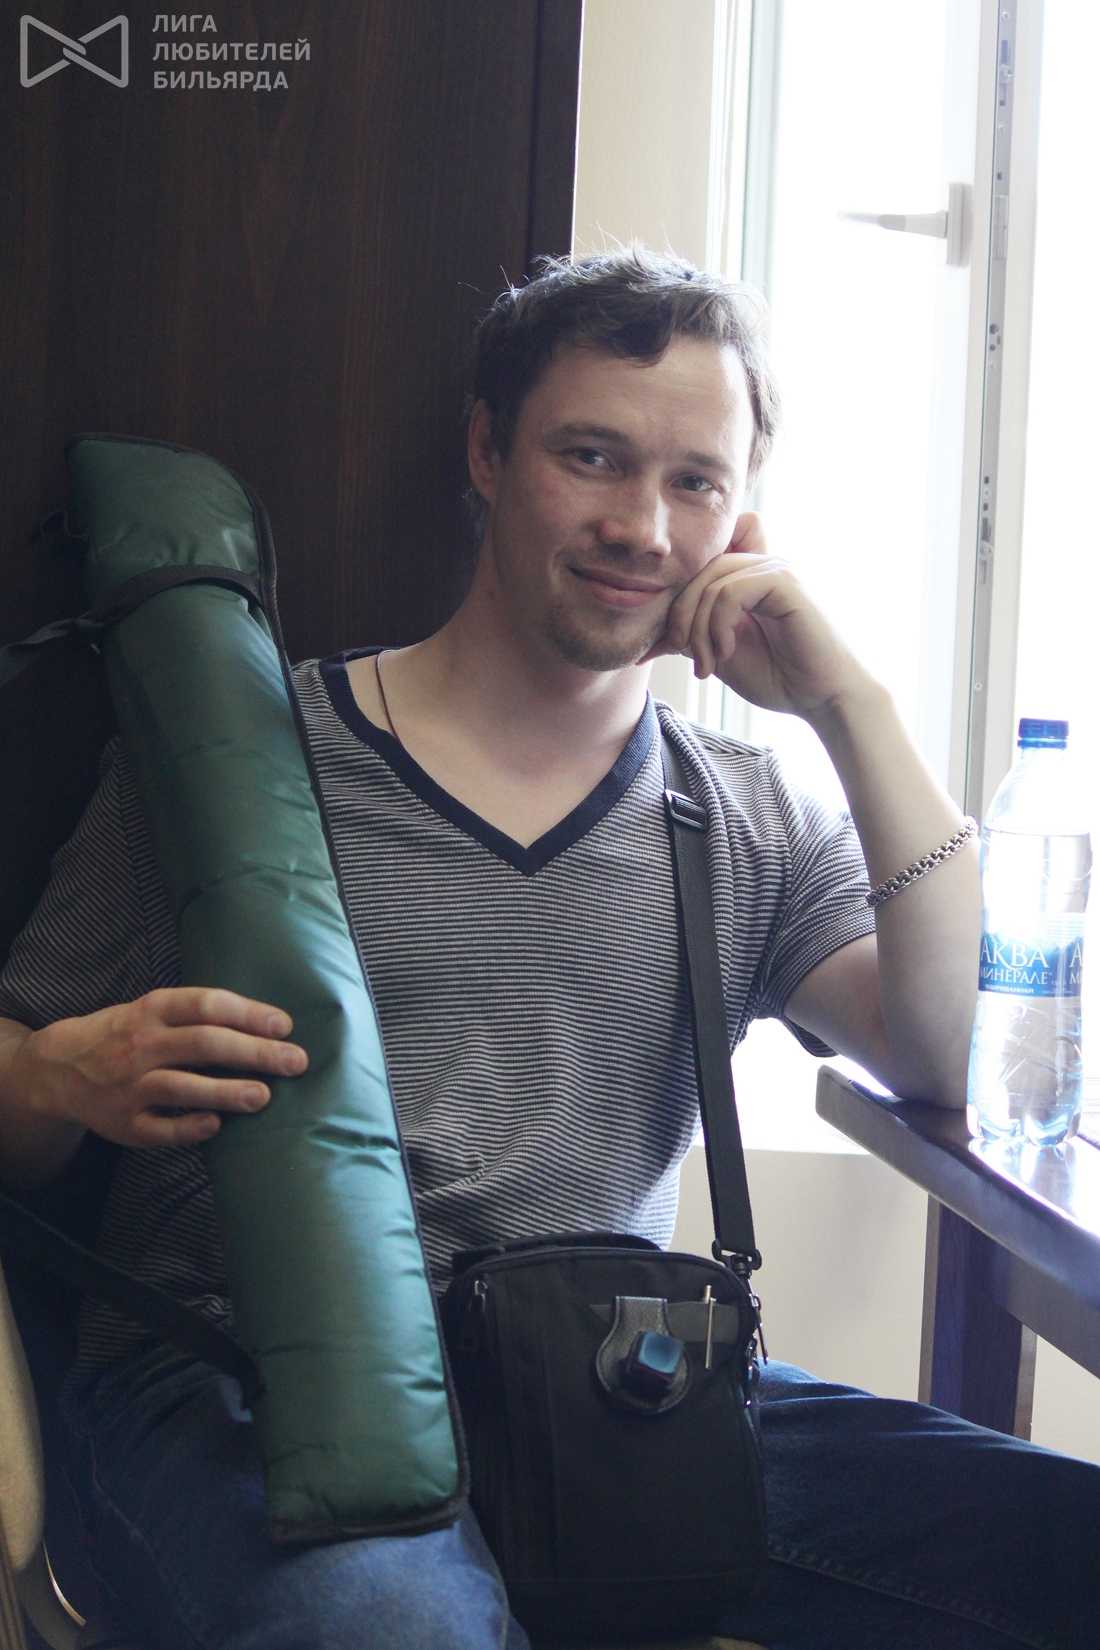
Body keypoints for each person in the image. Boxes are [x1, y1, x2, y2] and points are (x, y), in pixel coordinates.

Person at [0, 248, 1096, 1650]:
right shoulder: (238, 768)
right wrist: (60, 1077)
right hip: (248, 1392)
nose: (642, 525)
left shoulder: (744, 812)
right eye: (593, 457)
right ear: (487, 452)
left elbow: (949, 1053)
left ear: (743, 516)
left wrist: (850, 702)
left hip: (610, 1393)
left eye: (695, 482)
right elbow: (14, 1073)